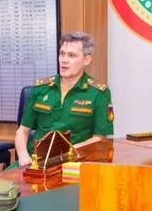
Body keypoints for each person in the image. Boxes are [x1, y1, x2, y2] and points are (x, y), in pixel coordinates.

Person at [13, 31, 114, 167]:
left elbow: (99, 138)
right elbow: (23, 130)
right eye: (62, 53)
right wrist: (23, 156)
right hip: (35, 161)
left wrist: (73, 150)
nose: (64, 60)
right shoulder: (41, 89)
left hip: (74, 162)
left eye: (71, 55)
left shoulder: (99, 93)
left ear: (86, 60)